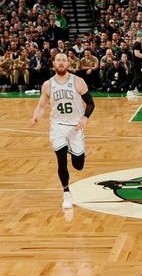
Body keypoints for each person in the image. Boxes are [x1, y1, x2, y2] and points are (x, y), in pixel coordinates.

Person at [30, 52, 95, 209]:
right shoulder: (48, 85)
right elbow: (41, 105)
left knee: (78, 165)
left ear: (68, 64)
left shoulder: (78, 82)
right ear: (54, 64)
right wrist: (35, 117)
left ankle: (76, 151)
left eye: (63, 60)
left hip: (75, 127)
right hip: (57, 127)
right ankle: (66, 192)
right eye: (58, 60)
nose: (60, 63)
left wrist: (84, 118)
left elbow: (91, 104)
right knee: (61, 159)